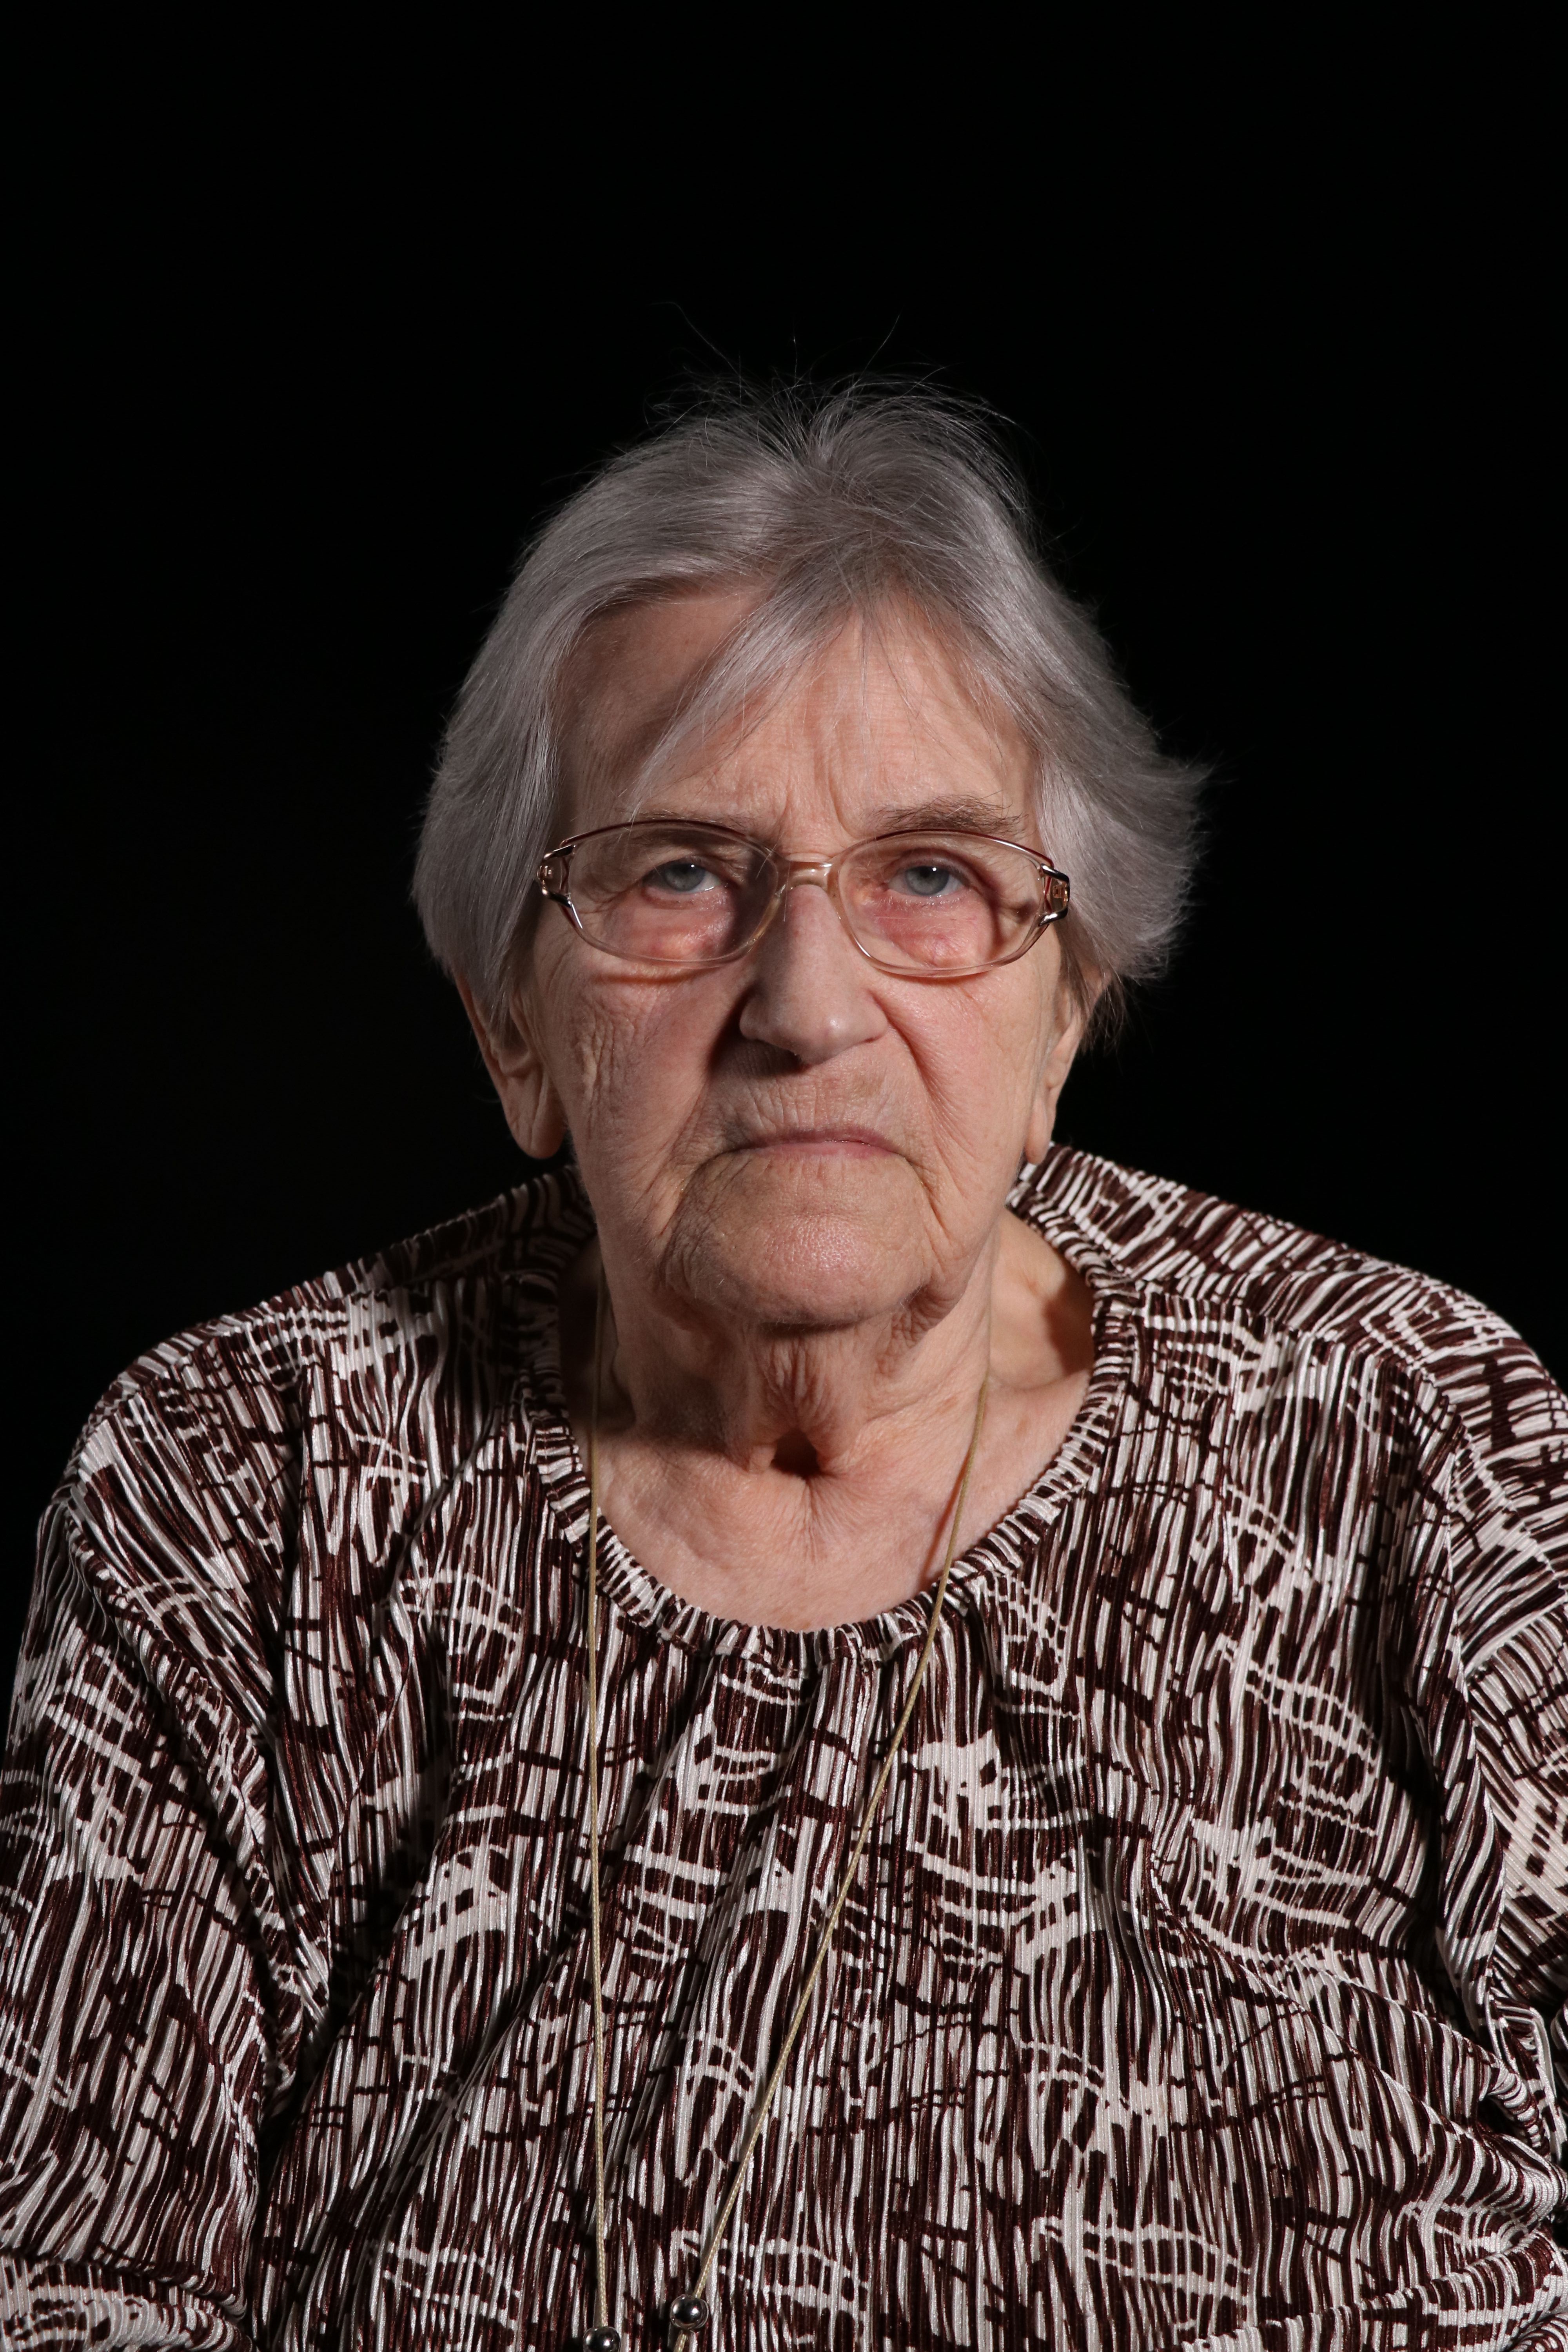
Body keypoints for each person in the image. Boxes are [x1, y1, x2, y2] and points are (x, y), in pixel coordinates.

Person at [1, 385, 1563, 2352]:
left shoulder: (1421, 1440)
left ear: (1062, 1007)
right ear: (509, 1023)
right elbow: (81, 2291)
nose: (808, 1006)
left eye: (930, 876)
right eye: (678, 874)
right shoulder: (242, 1494)